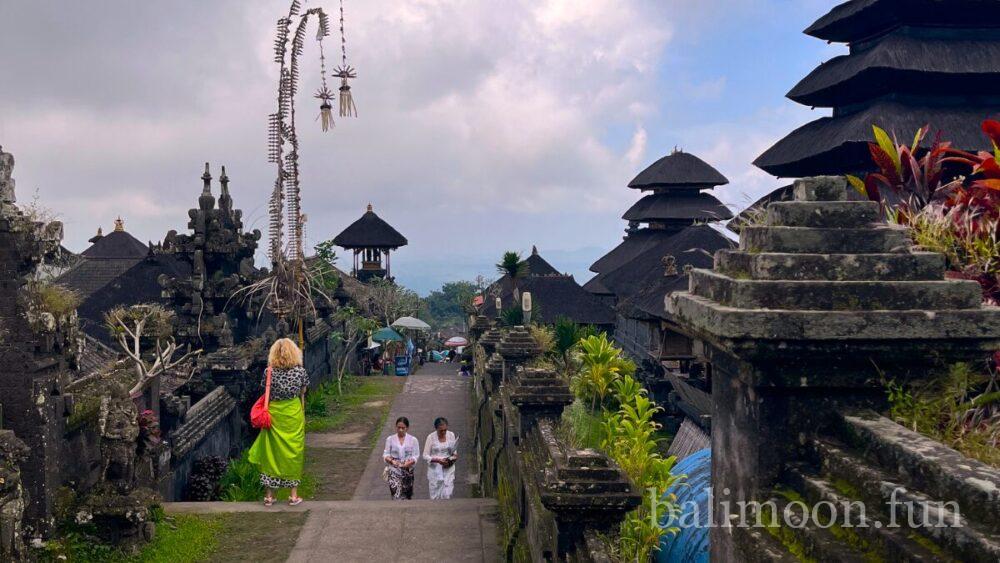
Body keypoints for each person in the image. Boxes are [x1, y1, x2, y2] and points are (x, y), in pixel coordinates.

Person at [248, 338, 309, 507]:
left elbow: (265, 390)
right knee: (294, 453)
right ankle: (293, 494)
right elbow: (303, 391)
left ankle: (269, 496)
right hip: (293, 415)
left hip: (274, 416)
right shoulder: (300, 372)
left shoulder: (269, 372)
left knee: (271, 453)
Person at [383, 416, 419, 499]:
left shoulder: (413, 440)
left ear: (407, 428)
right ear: (396, 427)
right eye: (398, 427)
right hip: (394, 471)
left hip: (407, 471)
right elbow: (386, 454)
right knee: (395, 494)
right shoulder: (390, 439)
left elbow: (416, 455)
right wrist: (392, 461)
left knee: (407, 495)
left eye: (403, 428)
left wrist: (409, 463)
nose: (400, 430)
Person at [423, 417, 459, 500]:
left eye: (445, 430)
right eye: (441, 430)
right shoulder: (430, 437)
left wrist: (451, 459)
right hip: (435, 469)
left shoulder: (451, 435)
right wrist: (438, 460)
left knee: (448, 492)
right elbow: (425, 455)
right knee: (435, 494)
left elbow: (454, 452)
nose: (443, 432)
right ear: (436, 429)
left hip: (448, 467)